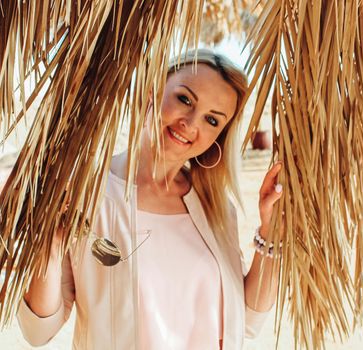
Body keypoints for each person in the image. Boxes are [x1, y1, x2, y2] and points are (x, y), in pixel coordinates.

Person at [17, 49, 284, 349]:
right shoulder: (88, 192)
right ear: (151, 90)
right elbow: (37, 331)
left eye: (211, 120)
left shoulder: (217, 210)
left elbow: (248, 321)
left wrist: (269, 229)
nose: (191, 123)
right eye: (184, 99)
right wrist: (51, 245)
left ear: (217, 139)